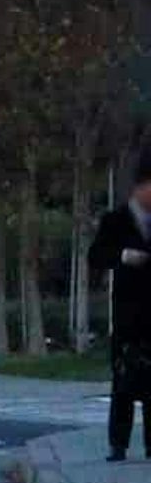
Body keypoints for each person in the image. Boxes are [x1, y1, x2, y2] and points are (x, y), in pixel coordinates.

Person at [86, 152, 151, 461]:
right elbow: (95, 256)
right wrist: (123, 256)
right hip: (127, 312)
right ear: (139, 188)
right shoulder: (116, 220)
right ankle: (118, 442)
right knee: (123, 380)